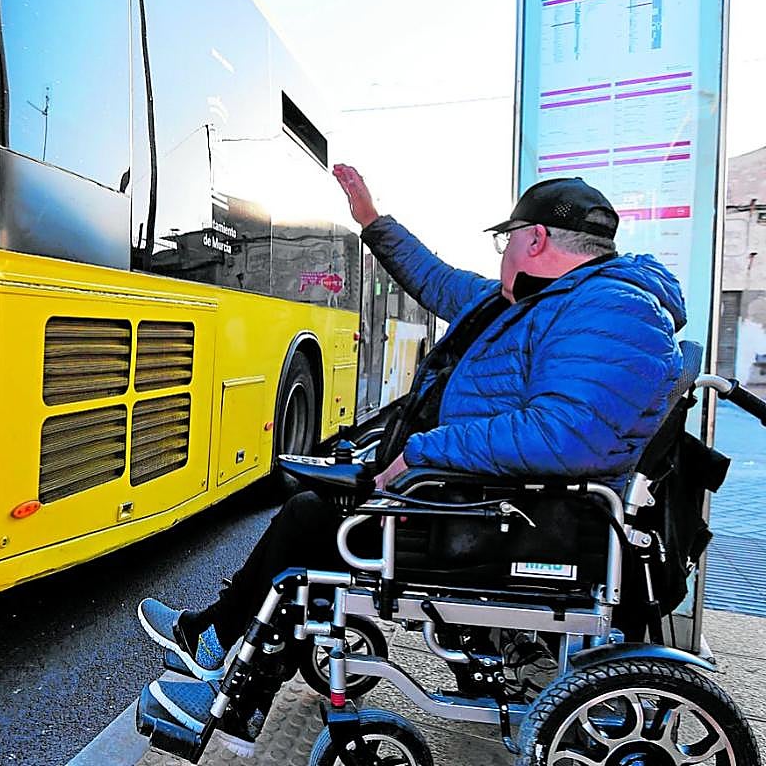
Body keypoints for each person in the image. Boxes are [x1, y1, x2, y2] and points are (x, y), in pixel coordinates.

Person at [137, 165, 686, 755]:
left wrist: (421, 454)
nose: (503, 253)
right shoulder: (542, 298)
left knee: (313, 519)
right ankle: (218, 647)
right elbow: (437, 280)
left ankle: (221, 661)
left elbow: (569, 435)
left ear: (537, 240)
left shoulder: (612, 311)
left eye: (508, 240)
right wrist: (372, 222)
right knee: (320, 509)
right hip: (492, 500)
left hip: (515, 523)